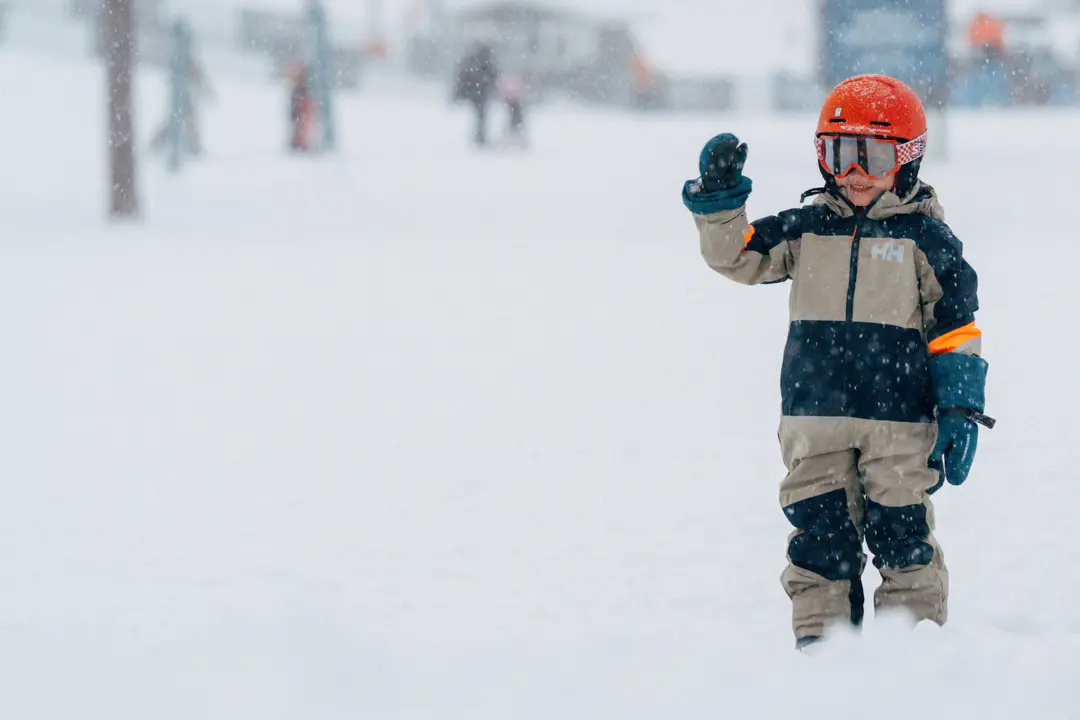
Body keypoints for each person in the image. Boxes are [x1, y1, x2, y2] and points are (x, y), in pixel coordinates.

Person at [681, 74, 994, 650]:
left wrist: (959, 404)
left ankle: (910, 657)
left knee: (904, 542)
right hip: (814, 421)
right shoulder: (808, 227)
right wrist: (720, 202)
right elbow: (737, 256)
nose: (852, 174)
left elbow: (956, 328)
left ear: (906, 159)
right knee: (820, 544)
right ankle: (823, 663)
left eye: (870, 157)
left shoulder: (925, 239)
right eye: (838, 154)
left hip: (898, 424)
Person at [453, 43, 499, 147]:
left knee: (480, 116)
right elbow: (492, 76)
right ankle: (480, 136)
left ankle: (479, 135)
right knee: (481, 116)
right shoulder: (484, 63)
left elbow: (464, 77)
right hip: (481, 94)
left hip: (478, 93)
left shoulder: (474, 62)